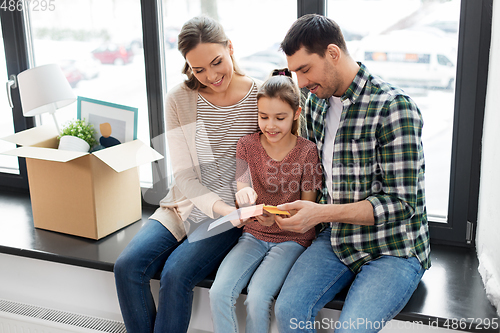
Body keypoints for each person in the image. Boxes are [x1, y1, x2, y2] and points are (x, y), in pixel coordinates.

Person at [273, 14, 431, 333]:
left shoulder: (393, 108)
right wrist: (276, 209)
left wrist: (320, 214)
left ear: (333, 53)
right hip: (337, 238)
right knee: (288, 309)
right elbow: (313, 174)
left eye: (305, 69)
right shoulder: (316, 103)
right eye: (296, 72)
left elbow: (402, 204)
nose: (300, 83)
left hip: (393, 248)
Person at [114, 16, 261, 333]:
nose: (211, 76)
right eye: (199, 69)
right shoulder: (179, 99)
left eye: (216, 62)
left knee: (176, 273)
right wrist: (223, 210)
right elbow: (183, 176)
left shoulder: (261, 97)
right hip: (185, 204)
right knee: (127, 267)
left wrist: (233, 211)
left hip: (231, 215)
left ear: (230, 47)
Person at [209, 69, 322, 333]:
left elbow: (307, 214)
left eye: (279, 118)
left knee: (258, 297)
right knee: (218, 293)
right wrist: (244, 199)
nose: (270, 125)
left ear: (296, 114)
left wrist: (278, 219)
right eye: (263, 117)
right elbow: (242, 188)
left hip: (292, 240)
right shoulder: (246, 146)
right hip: (253, 235)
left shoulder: (307, 152)